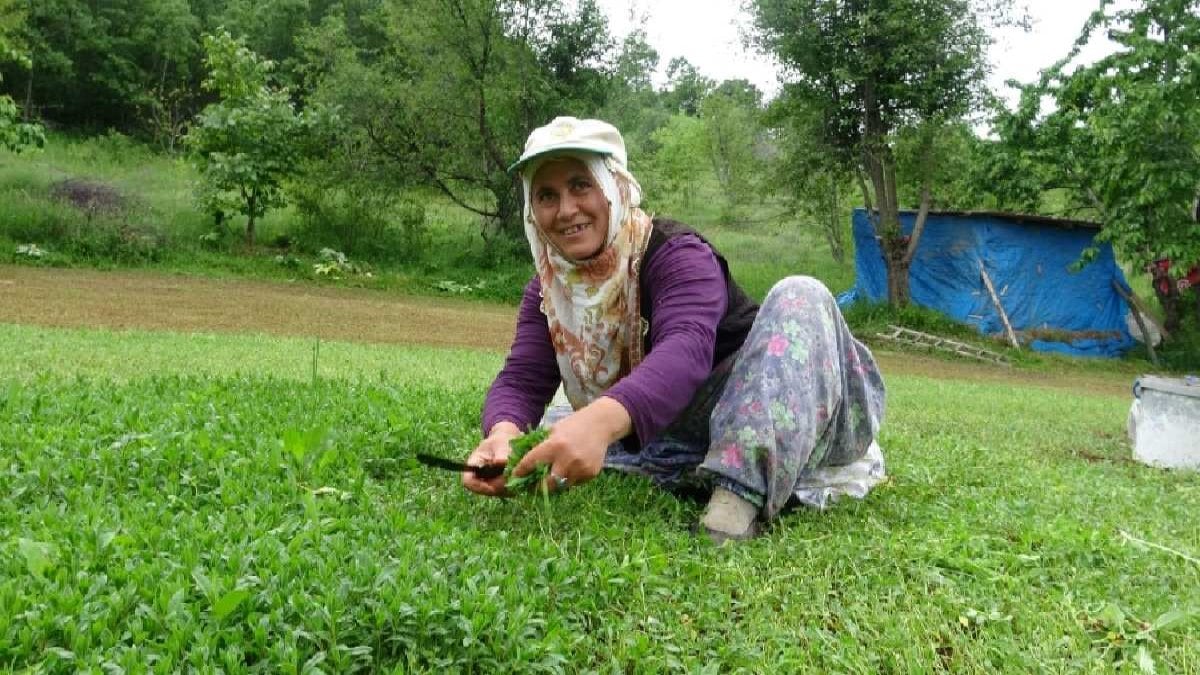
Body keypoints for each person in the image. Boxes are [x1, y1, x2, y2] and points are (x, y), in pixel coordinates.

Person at [462, 116, 887, 543]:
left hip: (790, 414)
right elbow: (524, 376)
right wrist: (504, 436)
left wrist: (598, 424)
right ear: (532, 211)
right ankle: (696, 461)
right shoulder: (550, 286)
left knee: (802, 294)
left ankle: (740, 496)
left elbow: (685, 351)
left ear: (613, 187)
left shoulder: (676, 253)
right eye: (546, 195)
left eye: (580, 185)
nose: (567, 209)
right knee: (558, 425)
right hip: (676, 435)